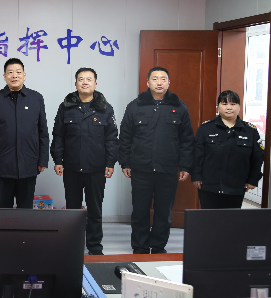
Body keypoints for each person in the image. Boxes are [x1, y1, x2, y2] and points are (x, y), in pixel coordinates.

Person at [119, 67, 194, 254]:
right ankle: (140, 247)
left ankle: (158, 246)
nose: (159, 82)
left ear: (168, 83)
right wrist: (125, 162)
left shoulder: (180, 107)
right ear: (148, 83)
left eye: (163, 79)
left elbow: (186, 140)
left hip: (167, 169)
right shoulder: (135, 106)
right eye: (155, 78)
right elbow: (125, 137)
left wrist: (185, 165)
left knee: (163, 212)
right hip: (141, 168)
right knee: (140, 211)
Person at [50, 67, 119, 255]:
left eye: (89, 79)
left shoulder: (105, 109)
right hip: (71, 167)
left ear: (95, 83)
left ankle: (95, 247)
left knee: (95, 209)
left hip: (97, 168)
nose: (85, 82)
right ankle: (73, 245)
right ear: (75, 84)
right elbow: (58, 136)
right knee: (73, 210)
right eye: (81, 79)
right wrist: (58, 160)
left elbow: (112, 138)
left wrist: (110, 163)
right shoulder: (66, 107)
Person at [0, 58, 49, 209]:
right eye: (10, 72)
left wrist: (43, 159)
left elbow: (43, 132)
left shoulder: (36, 98)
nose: (14, 75)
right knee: (4, 210)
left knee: (26, 209)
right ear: (4, 76)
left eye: (18, 72)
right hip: (3, 164)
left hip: (29, 163)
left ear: (24, 75)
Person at [192, 90, 264, 209]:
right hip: (209, 185)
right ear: (218, 106)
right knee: (209, 218)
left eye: (233, 104)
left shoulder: (250, 131)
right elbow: (197, 154)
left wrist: (253, 179)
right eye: (224, 104)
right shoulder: (206, 128)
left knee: (231, 218)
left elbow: (258, 157)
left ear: (239, 107)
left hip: (236, 186)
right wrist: (196, 176)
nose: (229, 108)